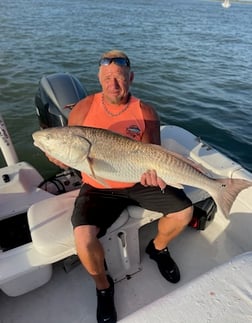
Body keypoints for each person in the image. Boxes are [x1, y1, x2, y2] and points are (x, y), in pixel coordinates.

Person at [47, 50, 193, 323]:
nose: (113, 84)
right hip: (97, 185)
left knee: (184, 212)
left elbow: (153, 155)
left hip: (137, 181)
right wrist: (55, 155)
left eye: (120, 77)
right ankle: (104, 288)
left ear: (131, 78)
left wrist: (153, 174)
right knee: (83, 239)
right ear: (99, 77)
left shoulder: (145, 112)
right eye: (107, 77)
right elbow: (70, 150)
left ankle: (157, 248)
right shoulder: (82, 109)